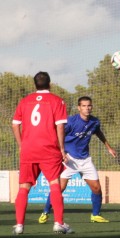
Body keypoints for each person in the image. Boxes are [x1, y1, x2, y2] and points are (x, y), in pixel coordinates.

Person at [38, 96, 117, 224]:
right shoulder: (71, 122)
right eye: (84, 106)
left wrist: (109, 147)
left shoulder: (94, 122)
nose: (87, 108)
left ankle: (95, 215)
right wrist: (61, 152)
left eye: (89, 106)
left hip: (85, 160)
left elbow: (98, 133)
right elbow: (57, 135)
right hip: (69, 159)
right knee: (59, 189)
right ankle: (45, 212)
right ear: (79, 108)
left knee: (96, 188)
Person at [12, 71, 73, 234]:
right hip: (49, 149)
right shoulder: (57, 100)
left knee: (24, 187)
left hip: (28, 149)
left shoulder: (25, 101)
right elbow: (60, 126)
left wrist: (21, 145)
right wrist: (61, 148)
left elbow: (14, 124)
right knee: (54, 183)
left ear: (35, 85)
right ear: (50, 84)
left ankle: (19, 225)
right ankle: (58, 223)